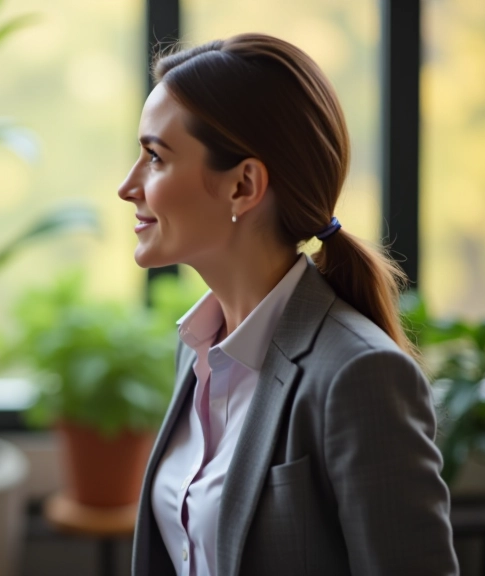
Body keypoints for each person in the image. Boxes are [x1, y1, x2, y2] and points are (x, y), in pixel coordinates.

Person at [120, 34, 457, 576]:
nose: (127, 186)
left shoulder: (360, 375)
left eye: (155, 157)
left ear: (243, 186)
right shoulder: (197, 350)